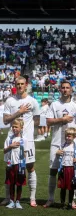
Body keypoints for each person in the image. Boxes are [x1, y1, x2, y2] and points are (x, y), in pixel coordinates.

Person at [1, 76, 40, 207]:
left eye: (22, 84)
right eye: (17, 84)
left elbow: (37, 120)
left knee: (30, 167)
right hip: (12, 139)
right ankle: (8, 198)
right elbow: (5, 121)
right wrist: (19, 112)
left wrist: (28, 132)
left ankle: (32, 198)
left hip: (27, 141)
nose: (20, 86)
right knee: (9, 167)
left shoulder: (33, 101)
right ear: (15, 85)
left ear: (26, 85)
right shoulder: (10, 101)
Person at [44, 80, 76, 208]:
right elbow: (48, 122)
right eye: (63, 87)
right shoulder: (54, 105)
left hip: (72, 145)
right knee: (53, 171)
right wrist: (62, 119)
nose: (65, 90)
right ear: (60, 90)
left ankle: (72, 199)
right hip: (56, 143)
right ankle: (50, 198)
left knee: (73, 171)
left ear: (71, 90)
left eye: (67, 88)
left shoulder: (74, 105)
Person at [3, 118, 28, 209]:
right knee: (11, 183)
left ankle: (18, 201)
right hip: (10, 164)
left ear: (21, 128)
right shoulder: (9, 139)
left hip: (20, 165)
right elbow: (4, 151)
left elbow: (25, 153)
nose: (14, 128)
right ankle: (11, 201)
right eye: (13, 127)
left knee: (19, 183)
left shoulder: (24, 139)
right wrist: (11, 146)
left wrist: (23, 165)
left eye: (16, 127)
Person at [55, 128, 76, 209]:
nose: (67, 138)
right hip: (63, 168)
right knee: (63, 187)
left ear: (74, 137)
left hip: (71, 169)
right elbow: (58, 157)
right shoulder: (62, 145)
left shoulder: (74, 146)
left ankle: (70, 203)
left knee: (71, 187)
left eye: (69, 136)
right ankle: (62, 203)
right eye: (66, 136)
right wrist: (57, 153)